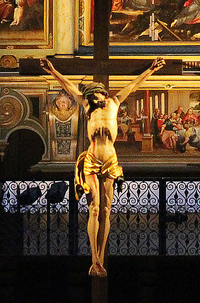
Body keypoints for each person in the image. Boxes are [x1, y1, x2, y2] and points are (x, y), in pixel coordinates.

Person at [39, 56, 166, 277]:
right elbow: (68, 87)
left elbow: (134, 84)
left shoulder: (114, 102)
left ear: (102, 93)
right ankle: (95, 259)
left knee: (107, 210)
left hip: (110, 159)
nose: (91, 98)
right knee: (94, 209)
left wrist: (152, 70)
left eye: (93, 94)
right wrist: (52, 71)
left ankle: (100, 255)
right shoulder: (88, 106)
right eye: (89, 96)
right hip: (92, 158)